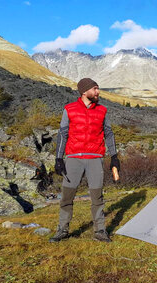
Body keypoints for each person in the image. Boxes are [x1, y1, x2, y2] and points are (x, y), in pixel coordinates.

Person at [49, 78, 120, 243]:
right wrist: (59, 158)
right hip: (73, 159)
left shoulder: (102, 110)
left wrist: (114, 157)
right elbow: (62, 134)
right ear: (84, 91)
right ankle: (62, 230)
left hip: (95, 158)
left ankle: (100, 231)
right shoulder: (69, 109)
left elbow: (109, 134)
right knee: (67, 196)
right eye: (95, 89)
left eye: (98, 88)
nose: (98, 92)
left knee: (97, 197)